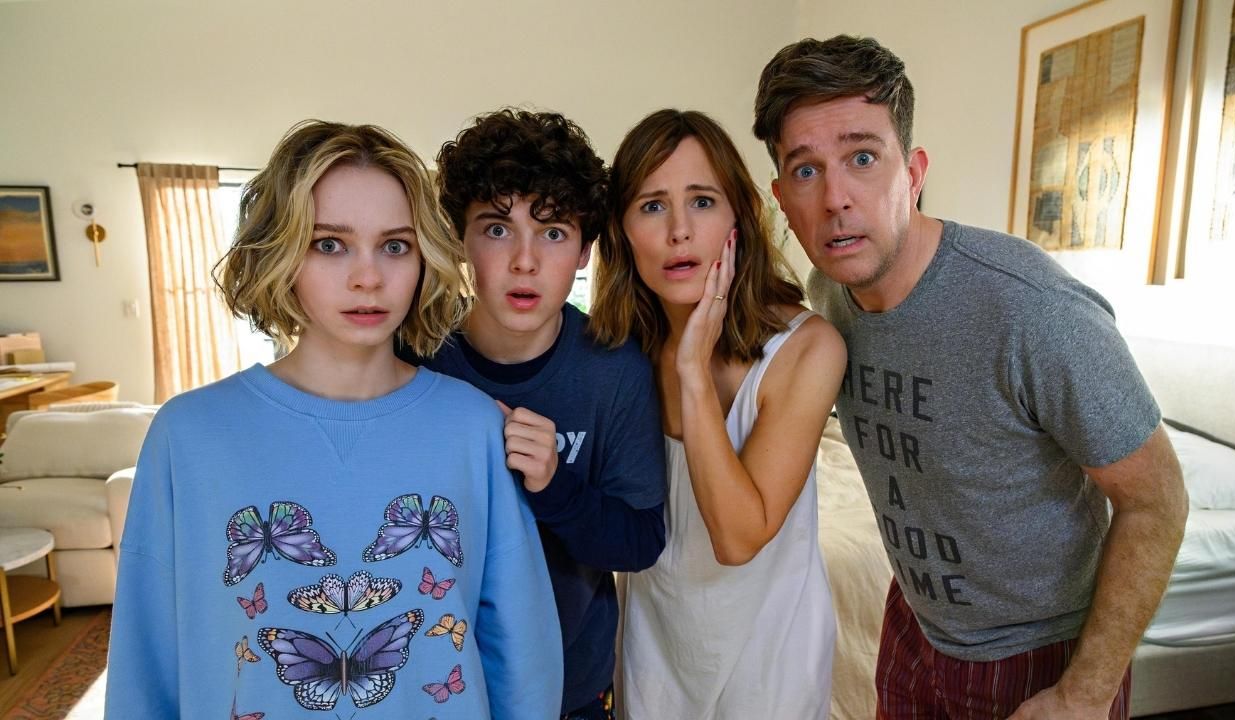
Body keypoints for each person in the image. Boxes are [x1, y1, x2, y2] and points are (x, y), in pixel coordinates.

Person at [754, 35, 1188, 719]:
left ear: (913, 172)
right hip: (914, 624)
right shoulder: (828, 294)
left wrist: (1085, 694)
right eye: (806, 170)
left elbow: (1158, 501)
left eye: (862, 157)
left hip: (1039, 655)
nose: (836, 198)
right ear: (782, 197)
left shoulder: (1031, 309)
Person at [105, 120, 561, 719]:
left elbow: (522, 656)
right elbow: (144, 664)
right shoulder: (188, 435)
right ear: (281, 253)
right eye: (329, 244)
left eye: (395, 246)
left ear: (425, 258)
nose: (368, 277)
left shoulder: (472, 426)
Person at [397, 108, 666, 720]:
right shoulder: (413, 357)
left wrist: (553, 485)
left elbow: (640, 542)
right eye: (497, 229)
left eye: (553, 233)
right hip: (433, 685)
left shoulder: (615, 369)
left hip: (571, 691)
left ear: (585, 252)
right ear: (459, 240)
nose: (524, 260)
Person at [592, 109, 845, 720]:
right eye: (652, 206)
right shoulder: (617, 351)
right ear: (622, 231)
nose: (679, 231)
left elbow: (736, 539)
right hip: (653, 655)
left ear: (739, 217)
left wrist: (691, 370)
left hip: (769, 667)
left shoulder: (809, 349)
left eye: (702, 201)